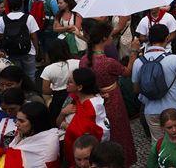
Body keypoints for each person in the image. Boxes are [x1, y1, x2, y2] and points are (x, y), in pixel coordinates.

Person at [80, 21, 138, 166]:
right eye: (110, 36)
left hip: (94, 100)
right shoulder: (108, 62)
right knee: (118, 131)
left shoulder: (84, 60)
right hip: (112, 99)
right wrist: (133, 52)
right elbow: (127, 72)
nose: (112, 39)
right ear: (104, 39)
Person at [132, 23, 176, 143]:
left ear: (149, 39)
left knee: (158, 143)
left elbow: (136, 89)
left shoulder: (138, 62)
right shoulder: (173, 59)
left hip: (151, 110)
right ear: (167, 38)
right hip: (173, 107)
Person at [59, 68, 110, 166]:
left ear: (79, 87)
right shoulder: (74, 97)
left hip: (84, 158)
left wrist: (65, 125)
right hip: (73, 152)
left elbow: (96, 133)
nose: (67, 83)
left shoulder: (92, 106)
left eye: (70, 82)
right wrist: (62, 114)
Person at [0, 0, 41, 82]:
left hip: (11, 51)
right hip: (28, 51)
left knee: (15, 76)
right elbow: (34, 36)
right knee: (30, 75)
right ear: (21, 5)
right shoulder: (29, 18)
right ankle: (31, 93)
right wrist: (36, 49)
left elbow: (0, 36)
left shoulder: (2, 19)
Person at [40, 38, 80, 125]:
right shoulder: (78, 62)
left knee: (57, 121)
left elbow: (45, 90)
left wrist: (56, 88)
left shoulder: (48, 69)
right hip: (77, 95)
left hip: (59, 98)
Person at [9, 101, 60, 167]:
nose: (16, 124)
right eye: (17, 119)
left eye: (21, 121)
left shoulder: (48, 143)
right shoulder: (22, 134)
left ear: (35, 123)